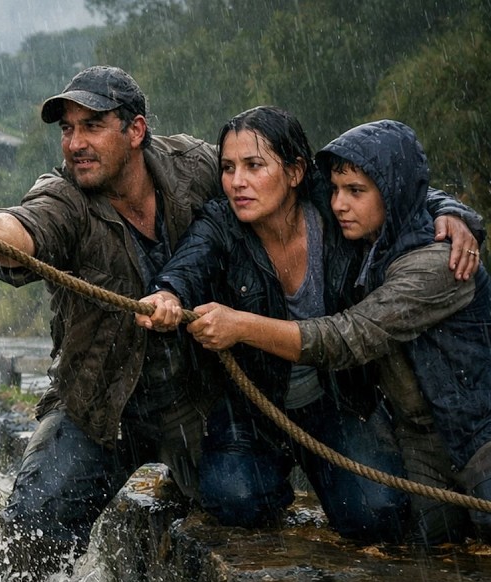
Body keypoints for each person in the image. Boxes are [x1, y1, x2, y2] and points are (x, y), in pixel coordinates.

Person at [136, 108, 482, 543]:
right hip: (254, 402)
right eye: (227, 168)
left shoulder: (333, 203)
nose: (236, 182)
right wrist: (167, 293)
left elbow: (394, 192)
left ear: (296, 171)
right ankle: (256, 477)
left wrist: (452, 212)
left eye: (254, 166)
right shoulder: (221, 222)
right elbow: (188, 264)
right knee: (237, 501)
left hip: (339, 397)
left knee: (378, 514)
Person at [0, 66, 223, 582]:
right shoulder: (65, 197)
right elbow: (26, 228)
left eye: (91, 126)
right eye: (67, 129)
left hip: (197, 401)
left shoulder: (196, 166)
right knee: (30, 533)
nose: (75, 144)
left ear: (135, 130)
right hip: (98, 410)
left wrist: (427, 205)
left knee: (243, 499)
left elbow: (283, 180)